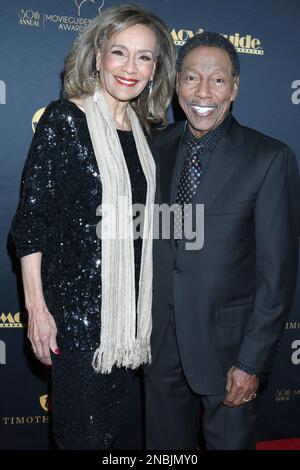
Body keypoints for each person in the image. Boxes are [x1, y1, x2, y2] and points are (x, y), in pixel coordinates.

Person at [10, 4, 175, 450]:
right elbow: (31, 222)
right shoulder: (65, 120)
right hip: (76, 319)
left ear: (156, 69)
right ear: (98, 55)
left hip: (127, 319)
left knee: (109, 436)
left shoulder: (144, 132)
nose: (130, 67)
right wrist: (37, 311)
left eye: (144, 57)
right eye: (119, 52)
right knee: (82, 438)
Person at [145, 31, 300, 450]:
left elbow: (276, 276)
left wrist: (251, 361)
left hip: (230, 351)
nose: (203, 92)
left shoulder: (269, 159)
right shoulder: (155, 147)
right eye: (192, 78)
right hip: (160, 345)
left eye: (218, 80)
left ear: (234, 87)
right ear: (176, 85)